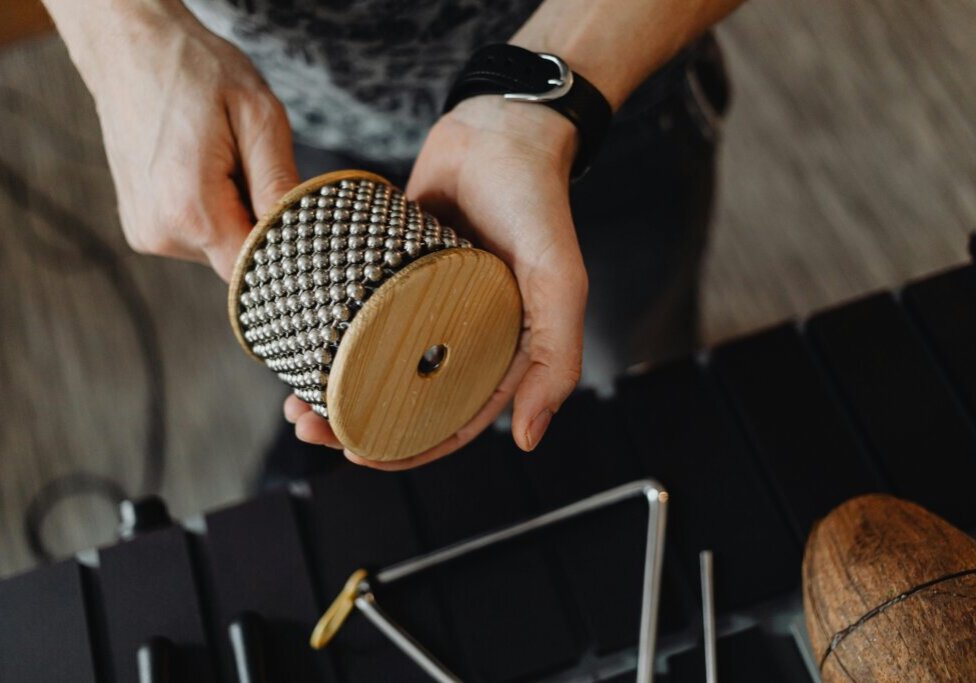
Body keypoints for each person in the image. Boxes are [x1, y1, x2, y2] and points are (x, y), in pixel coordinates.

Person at [42, 0, 739, 472]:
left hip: (602, 94)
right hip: (288, 116)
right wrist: (123, 34)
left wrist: (546, 96)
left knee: (633, 376)